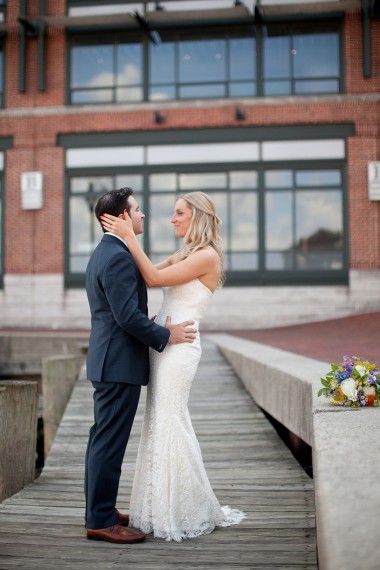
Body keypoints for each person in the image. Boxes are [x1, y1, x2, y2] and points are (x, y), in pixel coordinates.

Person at [100, 191, 245, 542]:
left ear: (198, 216)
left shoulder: (207, 256)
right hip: (163, 343)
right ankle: (156, 505)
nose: (172, 219)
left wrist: (129, 236)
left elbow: (151, 278)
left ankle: (183, 507)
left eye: (179, 213)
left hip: (180, 349)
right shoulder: (186, 253)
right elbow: (140, 269)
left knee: (171, 420)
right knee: (158, 421)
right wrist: (115, 241)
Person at [85, 187, 197, 544]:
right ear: (122, 218)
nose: (143, 214)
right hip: (117, 364)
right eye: (137, 210)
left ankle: (99, 510)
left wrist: (152, 324)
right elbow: (126, 317)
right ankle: (101, 520)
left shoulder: (107, 251)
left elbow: (121, 312)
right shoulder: (116, 255)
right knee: (109, 445)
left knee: (101, 441)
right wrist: (166, 336)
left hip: (110, 360)